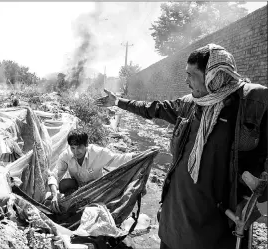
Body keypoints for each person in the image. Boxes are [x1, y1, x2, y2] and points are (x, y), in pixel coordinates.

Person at [95, 44, 267, 249]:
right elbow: (154, 109)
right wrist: (118, 102)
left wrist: (255, 203)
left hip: (215, 226)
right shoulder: (190, 104)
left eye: (191, 75)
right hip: (174, 215)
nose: (186, 81)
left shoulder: (252, 104)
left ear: (214, 75)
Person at [47, 129, 136, 213]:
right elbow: (54, 174)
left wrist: (138, 155)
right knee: (64, 184)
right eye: (72, 148)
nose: (76, 151)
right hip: (77, 186)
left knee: (97, 205)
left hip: (95, 187)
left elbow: (118, 159)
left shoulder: (98, 153)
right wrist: (54, 194)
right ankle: (74, 202)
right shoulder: (66, 156)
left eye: (79, 147)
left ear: (86, 144)